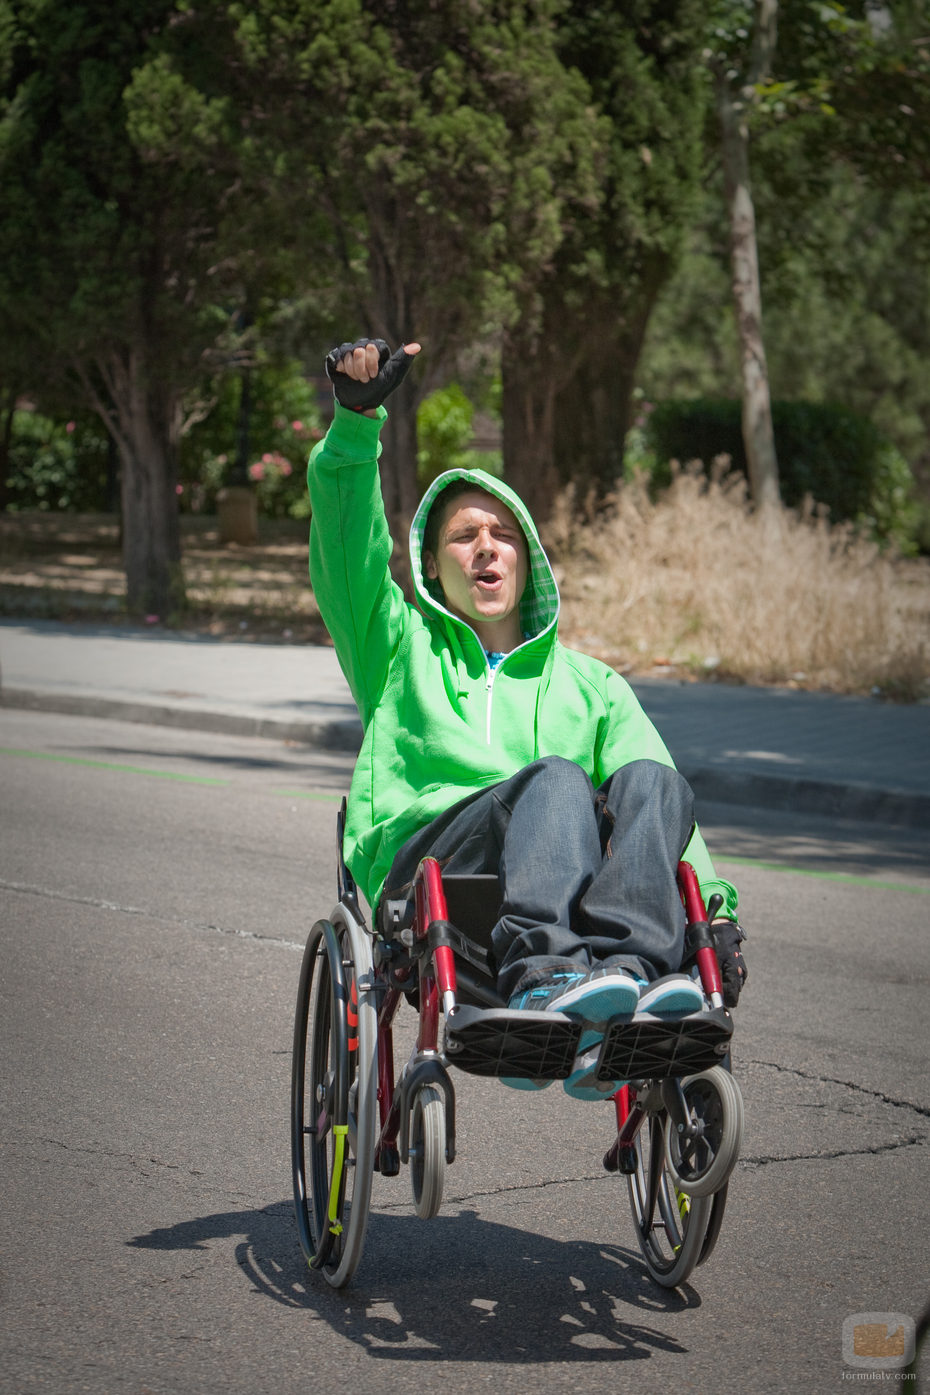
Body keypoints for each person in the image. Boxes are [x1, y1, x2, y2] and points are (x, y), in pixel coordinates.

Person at [307, 337, 747, 1099]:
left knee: (655, 782)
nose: (486, 548)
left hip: (572, 898)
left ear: (527, 558)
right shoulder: (398, 648)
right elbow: (347, 553)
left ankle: (629, 981)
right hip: (438, 872)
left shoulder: (592, 686)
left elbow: (663, 821)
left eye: (502, 534)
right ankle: (546, 980)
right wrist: (356, 424)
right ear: (433, 567)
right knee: (553, 781)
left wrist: (715, 913)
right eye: (463, 537)